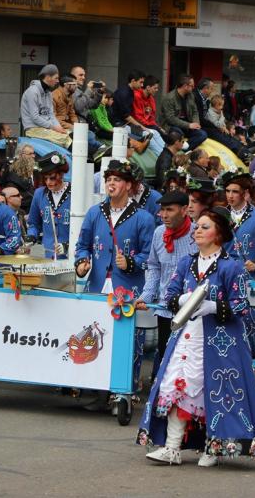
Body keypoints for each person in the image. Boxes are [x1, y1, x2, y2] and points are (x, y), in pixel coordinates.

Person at [137, 207, 255, 466]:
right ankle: (172, 447)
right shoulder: (186, 262)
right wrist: (181, 300)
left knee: (213, 391)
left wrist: (215, 307)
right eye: (197, 226)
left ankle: (214, 446)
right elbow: (169, 296)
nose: (197, 230)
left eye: (205, 226)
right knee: (178, 386)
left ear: (219, 234)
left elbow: (242, 306)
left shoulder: (231, 267)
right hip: (187, 335)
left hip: (219, 343)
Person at [75, 160, 154, 393]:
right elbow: (82, 245)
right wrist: (82, 262)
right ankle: (92, 383)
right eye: (109, 179)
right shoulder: (94, 213)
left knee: (129, 338)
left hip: (127, 288)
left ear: (129, 185)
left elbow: (149, 256)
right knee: (93, 333)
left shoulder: (144, 218)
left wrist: (130, 263)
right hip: (98, 284)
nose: (111, 183)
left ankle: (127, 384)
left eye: (117, 179)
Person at [135, 190, 197, 381]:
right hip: (165, 309)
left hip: (192, 310)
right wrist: (146, 295)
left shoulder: (198, 234)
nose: (164, 215)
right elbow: (153, 266)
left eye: (169, 210)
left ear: (185, 210)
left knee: (188, 362)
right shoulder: (159, 233)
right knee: (166, 356)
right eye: (162, 210)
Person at [220, 170, 255, 357]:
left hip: (252, 277)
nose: (230, 195)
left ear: (245, 194)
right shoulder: (220, 216)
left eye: (234, 191)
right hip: (225, 276)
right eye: (227, 191)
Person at [28, 152, 71, 259]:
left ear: (61, 174)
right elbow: (33, 223)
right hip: (46, 255)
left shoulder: (75, 193)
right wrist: (31, 237)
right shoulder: (39, 194)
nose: (48, 182)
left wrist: (68, 245)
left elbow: (83, 229)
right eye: (45, 178)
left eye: (52, 178)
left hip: (69, 257)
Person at [20, 64, 72, 148]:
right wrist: (54, 128)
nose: (58, 81)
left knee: (72, 134)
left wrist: (59, 128)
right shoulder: (32, 92)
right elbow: (35, 117)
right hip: (33, 129)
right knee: (65, 139)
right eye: (56, 78)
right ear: (48, 77)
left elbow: (51, 115)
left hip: (47, 128)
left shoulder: (48, 93)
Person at [160, 74, 207, 150]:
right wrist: (188, 125)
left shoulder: (190, 95)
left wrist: (196, 123)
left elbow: (195, 111)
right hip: (171, 126)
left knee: (202, 134)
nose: (193, 88)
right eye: (192, 86)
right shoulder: (169, 98)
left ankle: (184, 149)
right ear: (185, 86)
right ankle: (181, 149)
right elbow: (171, 119)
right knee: (179, 134)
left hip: (187, 124)